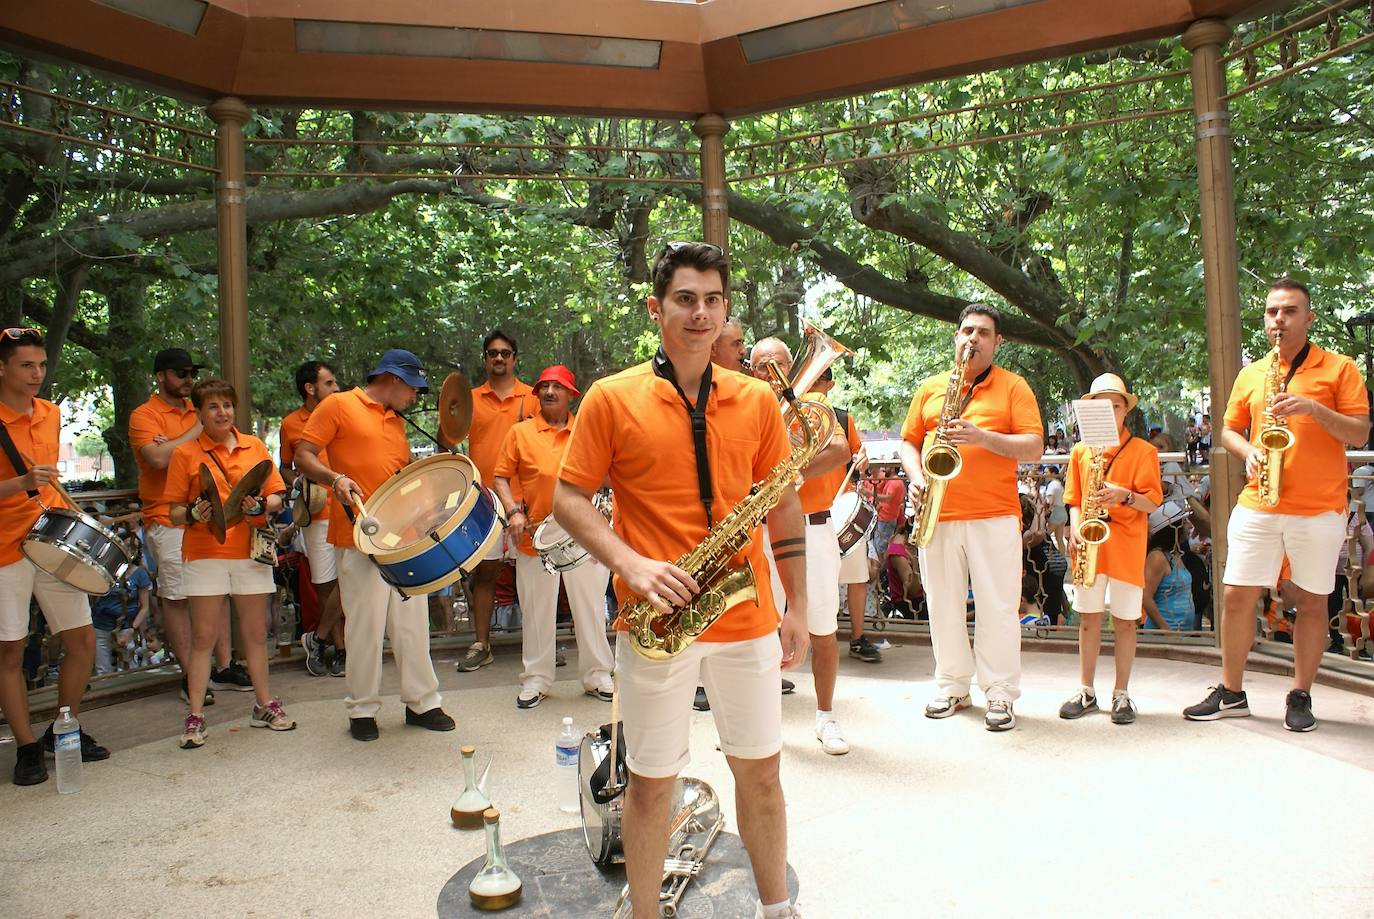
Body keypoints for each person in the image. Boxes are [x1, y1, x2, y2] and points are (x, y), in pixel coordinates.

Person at [554, 241, 809, 919]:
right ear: (657, 307)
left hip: (746, 614)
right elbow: (568, 499)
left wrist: (798, 603)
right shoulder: (611, 397)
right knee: (649, 784)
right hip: (657, 617)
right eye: (685, 298)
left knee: (761, 773)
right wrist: (630, 563)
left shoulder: (757, 401)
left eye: (713, 300)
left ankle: (777, 906)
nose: (700, 313)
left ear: (728, 310)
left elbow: (782, 501)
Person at [1184, 278, 1369, 732]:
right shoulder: (1252, 373)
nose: (1278, 320)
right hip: (1259, 501)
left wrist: (1313, 409)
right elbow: (1228, 430)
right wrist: (1247, 453)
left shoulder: (1340, 368)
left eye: (1288, 311)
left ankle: (1300, 693)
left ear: (1309, 318)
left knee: (1311, 601)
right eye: (1271, 312)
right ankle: (1231, 692)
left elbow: (1360, 433)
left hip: (1319, 505)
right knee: (1235, 595)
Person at [294, 349, 455, 741]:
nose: (415, 397)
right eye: (413, 389)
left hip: (404, 539)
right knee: (364, 625)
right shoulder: (338, 405)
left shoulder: (396, 419)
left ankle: (422, 703)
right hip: (359, 534)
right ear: (394, 379)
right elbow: (302, 456)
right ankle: (362, 709)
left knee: (412, 624)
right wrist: (336, 479)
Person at [898, 303, 1044, 731]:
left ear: (998, 343)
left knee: (998, 607)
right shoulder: (930, 388)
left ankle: (999, 694)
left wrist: (983, 438)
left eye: (983, 332)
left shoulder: (1014, 387)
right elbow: (908, 443)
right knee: (942, 604)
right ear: (955, 338)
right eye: (966, 331)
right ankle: (952, 687)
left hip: (994, 515)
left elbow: (1034, 447)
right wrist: (915, 475)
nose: (972, 339)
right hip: (937, 512)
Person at [0, 327, 110, 784]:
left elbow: (49, 482)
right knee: (10, 650)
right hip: (4, 548)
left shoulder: (50, 413)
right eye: (27, 365)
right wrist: (20, 486)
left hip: (54, 539)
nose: (37, 374)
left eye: (42, 365)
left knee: (82, 641)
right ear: (2, 367)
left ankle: (63, 729)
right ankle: (26, 746)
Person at [165, 379, 293, 748]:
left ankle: (264, 704)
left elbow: (276, 497)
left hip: (250, 551)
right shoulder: (186, 454)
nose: (222, 412)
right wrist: (192, 512)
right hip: (205, 553)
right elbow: (173, 511)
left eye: (227, 405)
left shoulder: (254, 446)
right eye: (213, 407)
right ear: (200, 414)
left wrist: (261, 506)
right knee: (203, 637)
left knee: (255, 634)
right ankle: (196, 715)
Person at [750, 340, 854, 754]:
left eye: (778, 362)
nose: (770, 370)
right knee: (759, 630)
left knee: (822, 627)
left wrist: (790, 476)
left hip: (812, 529)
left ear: (791, 366)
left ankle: (826, 717)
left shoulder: (812, 403)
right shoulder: (747, 407)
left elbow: (841, 451)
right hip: (761, 531)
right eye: (761, 365)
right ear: (752, 371)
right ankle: (759, 724)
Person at [492, 364, 614, 709]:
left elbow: (610, 473)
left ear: (571, 395)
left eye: (557, 387)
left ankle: (597, 675)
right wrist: (513, 511)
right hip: (535, 534)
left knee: (590, 606)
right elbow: (501, 476)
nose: (549, 392)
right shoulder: (520, 433)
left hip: (585, 532)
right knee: (536, 610)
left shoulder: (587, 430)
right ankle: (536, 679)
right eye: (543, 387)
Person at [1056, 374, 1162, 725]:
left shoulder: (1144, 451)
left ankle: (1122, 693)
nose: (1109, 411)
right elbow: (1072, 497)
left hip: (1127, 545)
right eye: (1101, 405)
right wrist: (1074, 524)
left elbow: (1151, 504)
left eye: (1115, 405)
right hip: (1090, 543)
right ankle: (1085, 689)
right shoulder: (1080, 451)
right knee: (1087, 619)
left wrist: (1124, 495)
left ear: (1125, 411)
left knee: (1126, 622)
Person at [129, 347, 231, 706]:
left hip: (206, 515)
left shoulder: (196, 409)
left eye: (191, 372)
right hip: (166, 516)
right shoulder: (144, 415)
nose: (188, 379)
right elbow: (157, 459)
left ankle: (222, 665)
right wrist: (195, 433)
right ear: (161, 376)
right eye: (180, 373)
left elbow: (217, 447)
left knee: (216, 591)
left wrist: (178, 442)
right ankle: (190, 675)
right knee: (176, 597)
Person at [455, 330, 538, 674]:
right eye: (492, 353)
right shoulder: (470, 399)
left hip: (528, 500)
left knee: (532, 575)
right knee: (485, 573)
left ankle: (539, 646)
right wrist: (451, 411)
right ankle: (481, 644)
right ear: (485, 359)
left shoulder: (534, 397)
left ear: (515, 358)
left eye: (505, 353)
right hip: (484, 501)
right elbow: (449, 437)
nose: (499, 358)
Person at [809, 368, 880, 663]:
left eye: (818, 382)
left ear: (830, 385)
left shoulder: (840, 418)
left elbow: (859, 457)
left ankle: (857, 638)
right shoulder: (791, 414)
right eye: (809, 380)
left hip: (839, 506)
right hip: (806, 511)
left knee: (856, 576)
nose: (812, 387)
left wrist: (863, 459)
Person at [280, 360, 345, 678]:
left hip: (349, 508)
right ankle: (338, 648)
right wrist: (296, 484)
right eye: (330, 383)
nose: (337, 388)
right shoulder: (290, 423)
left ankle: (318, 640)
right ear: (311, 388)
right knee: (325, 585)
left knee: (350, 579)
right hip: (317, 513)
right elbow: (285, 466)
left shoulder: (343, 413)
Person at [1143, 502, 1194, 632]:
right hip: (1164, 636)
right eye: (1184, 522)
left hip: (1182, 633)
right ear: (1173, 529)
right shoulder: (1157, 557)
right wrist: (1166, 629)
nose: (1189, 526)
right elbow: (1145, 597)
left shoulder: (1175, 555)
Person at [868, 466, 905, 559]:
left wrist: (869, 493)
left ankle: (882, 570)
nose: (884, 469)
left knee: (881, 547)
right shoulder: (891, 480)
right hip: (884, 518)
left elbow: (888, 498)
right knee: (878, 545)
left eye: (886, 467)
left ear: (892, 469)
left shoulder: (895, 482)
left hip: (887, 519)